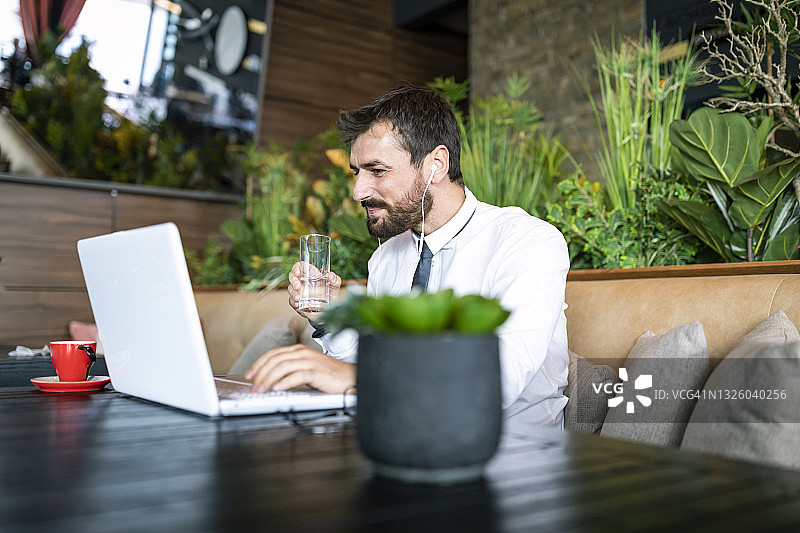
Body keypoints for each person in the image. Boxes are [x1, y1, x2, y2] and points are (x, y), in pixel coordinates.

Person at [245, 85, 570, 428]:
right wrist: (328, 316)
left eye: (378, 171)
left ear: (437, 164)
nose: (359, 191)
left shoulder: (527, 242)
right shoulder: (388, 256)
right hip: (402, 436)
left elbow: (496, 381)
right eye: (357, 172)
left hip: (513, 452)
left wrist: (353, 378)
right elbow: (381, 365)